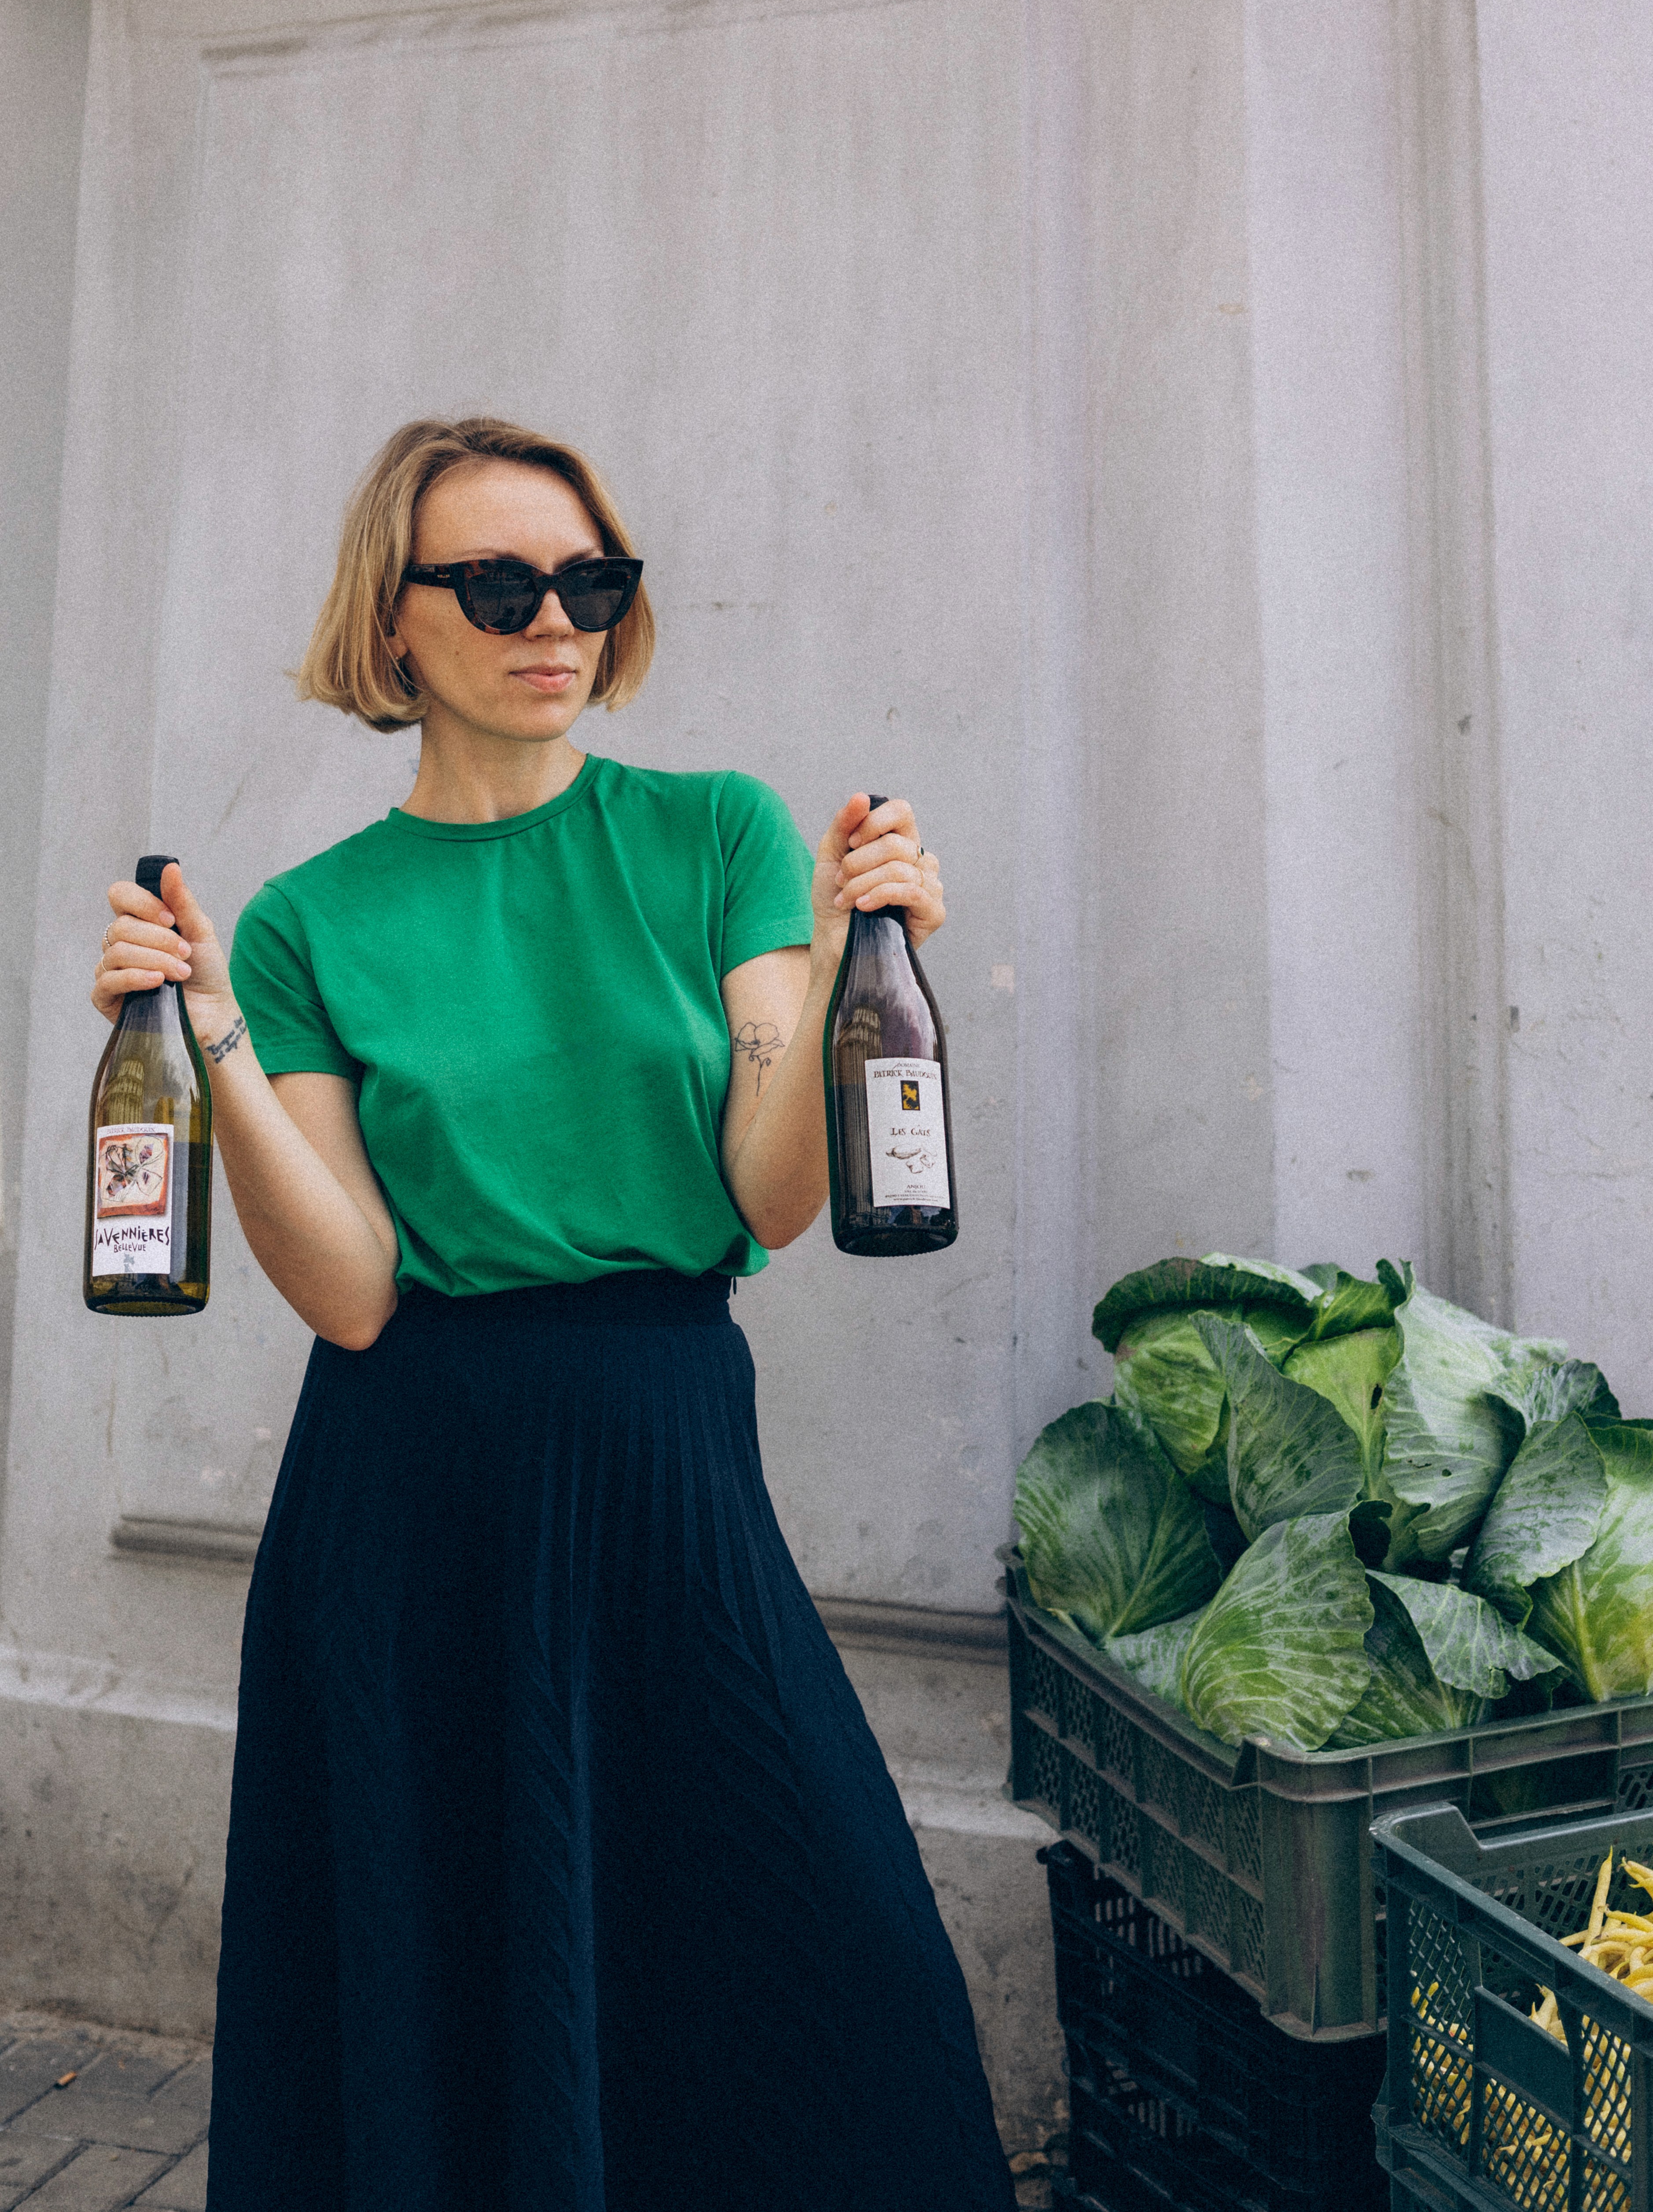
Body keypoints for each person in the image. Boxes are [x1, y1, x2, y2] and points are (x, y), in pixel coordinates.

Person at [91, 417, 1015, 2212]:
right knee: (444, 1986)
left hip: (668, 1456)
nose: (557, 622)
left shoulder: (712, 832)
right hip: (407, 1493)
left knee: (834, 1957)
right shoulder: (304, 925)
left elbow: (768, 1192)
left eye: (591, 581)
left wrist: (849, 952)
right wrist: (213, 1045)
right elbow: (352, 1290)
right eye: (501, 585)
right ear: (394, 620)